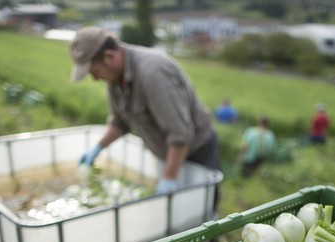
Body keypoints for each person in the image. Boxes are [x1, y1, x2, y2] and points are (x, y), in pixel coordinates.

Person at [70, 26, 221, 197]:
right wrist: (97, 148)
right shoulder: (115, 78)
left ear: (109, 56)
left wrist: (169, 178)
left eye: (95, 72)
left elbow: (180, 134)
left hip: (195, 153)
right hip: (166, 153)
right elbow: (120, 122)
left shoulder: (153, 74)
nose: (95, 79)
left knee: (200, 211)